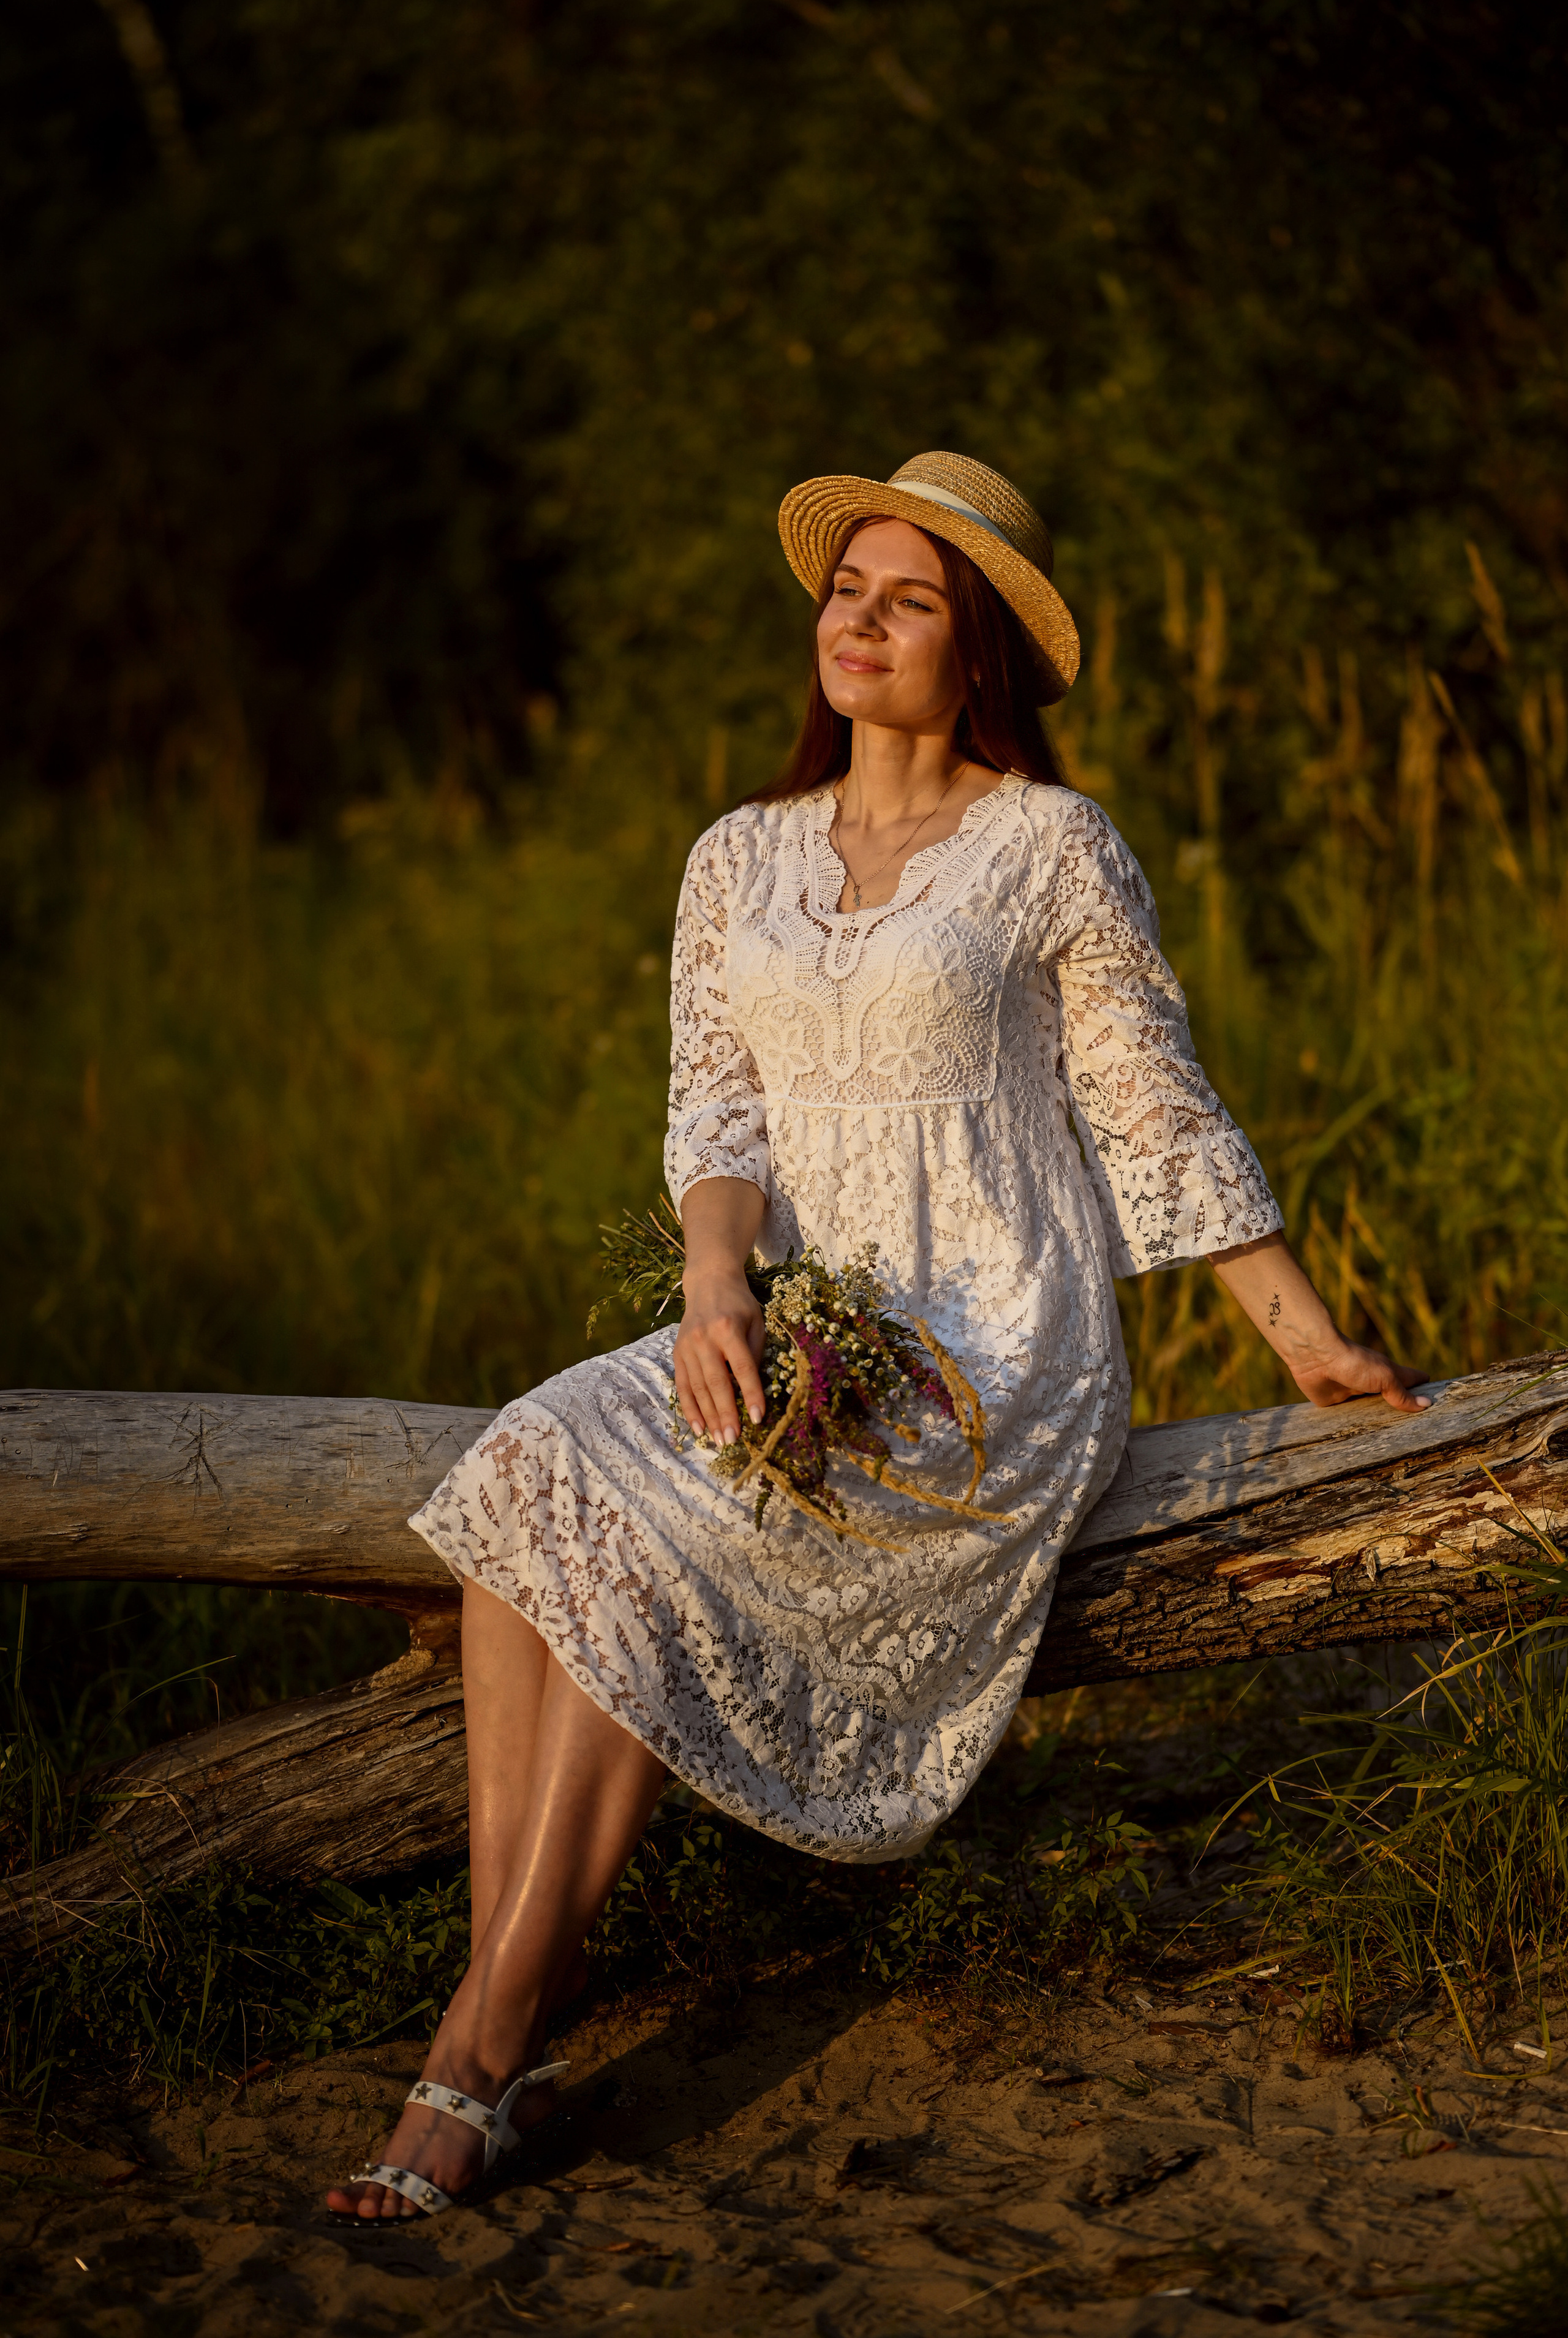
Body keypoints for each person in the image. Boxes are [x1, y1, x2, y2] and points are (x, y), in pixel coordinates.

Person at [328, 451, 1427, 2219]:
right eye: (850, 588)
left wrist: (1303, 1341)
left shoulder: (1050, 845)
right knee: (523, 1472)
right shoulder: (738, 856)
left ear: (974, 647)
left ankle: (474, 2051)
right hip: (795, 1308)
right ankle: (519, 1983)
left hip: (986, 1345)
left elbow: (1149, 1112)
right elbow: (719, 1121)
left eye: (908, 599)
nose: (860, 618)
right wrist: (714, 1294)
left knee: (649, 1538)